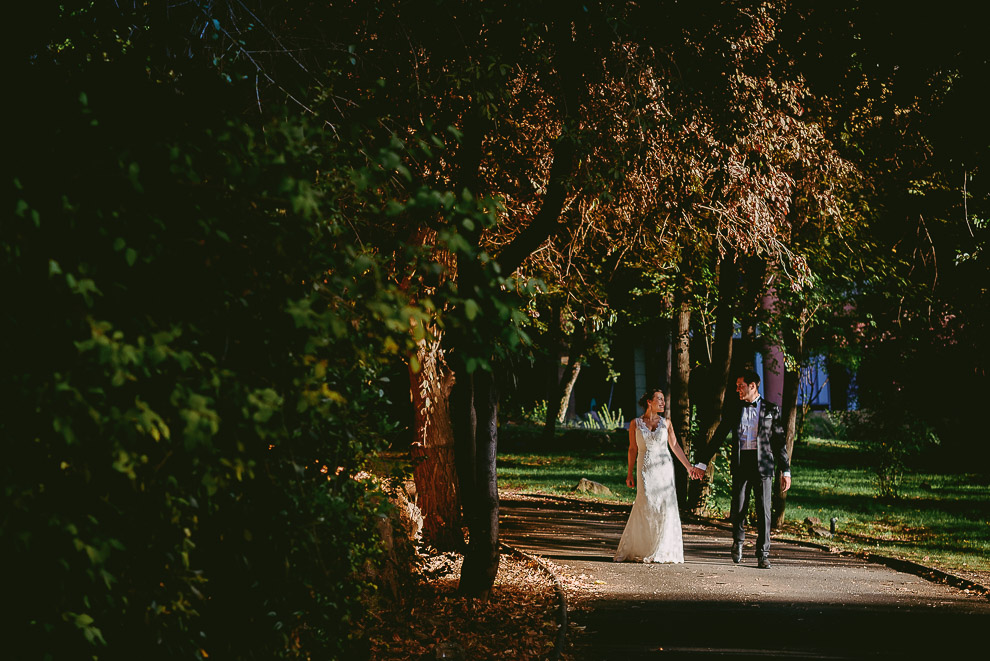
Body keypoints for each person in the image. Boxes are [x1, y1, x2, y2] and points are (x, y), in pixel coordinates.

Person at [693, 369, 791, 569]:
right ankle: (738, 542)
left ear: (752, 386)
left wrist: (785, 470)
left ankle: (763, 554)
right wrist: (702, 462)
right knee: (738, 508)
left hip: (763, 464)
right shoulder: (733, 408)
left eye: (740, 386)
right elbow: (719, 435)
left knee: (764, 510)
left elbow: (779, 442)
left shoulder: (772, 410)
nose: (737, 389)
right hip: (741, 463)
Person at [614, 388, 703, 563]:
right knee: (646, 503)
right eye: (659, 399)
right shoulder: (635, 423)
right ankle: (644, 547)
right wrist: (629, 473)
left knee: (664, 506)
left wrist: (688, 467)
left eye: (663, 400)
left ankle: (662, 548)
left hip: (664, 470)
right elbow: (632, 449)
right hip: (645, 468)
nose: (663, 403)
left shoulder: (667, 423)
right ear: (649, 401)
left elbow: (675, 446)